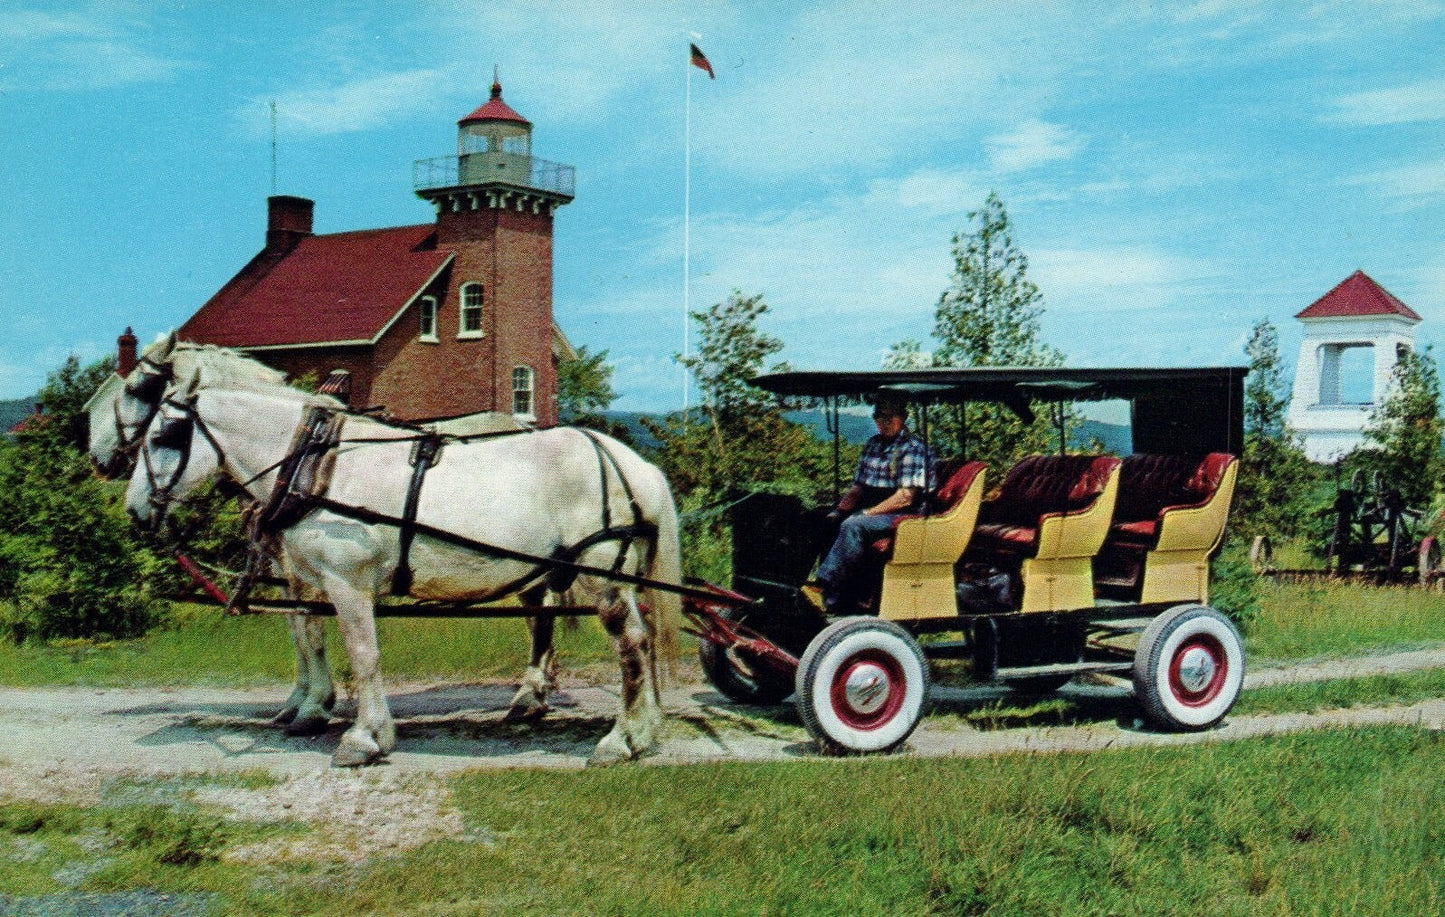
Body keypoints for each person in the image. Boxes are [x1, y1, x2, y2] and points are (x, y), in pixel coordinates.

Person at [812, 394, 935, 610]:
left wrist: (867, 514)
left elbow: (905, 497)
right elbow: (858, 488)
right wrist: (838, 511)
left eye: (890, 417)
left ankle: (825, 587)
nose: (884, 422)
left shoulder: (912, 448)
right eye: (879, 417)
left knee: (853, 525)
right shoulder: (873, 444)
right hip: (874, 505)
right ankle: (836, 596)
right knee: (822, 518)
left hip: (903, 512)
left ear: (903, 417)